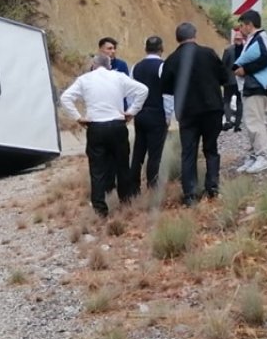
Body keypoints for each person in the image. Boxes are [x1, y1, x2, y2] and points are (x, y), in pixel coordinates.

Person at [59, 54, 149, 217]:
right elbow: (143, 90)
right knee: (122, 165)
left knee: (97, 169)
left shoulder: (84, 79)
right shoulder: (119, 77)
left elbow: (66, 98)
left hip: (95, 126)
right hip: (117, 124)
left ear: (93, 65)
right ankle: (126, 201)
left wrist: (78, 117)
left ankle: (100, 208)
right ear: (109, 65)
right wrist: (131, 112)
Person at [161, 22, 228, 205]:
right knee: (211, 148)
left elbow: (165, 87)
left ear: (177, 38)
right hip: (212, 107)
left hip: (187, 111)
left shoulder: (172, 59)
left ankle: (190, 194)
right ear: (195, 34)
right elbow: (224, 77)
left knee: (188, 152)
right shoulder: (209, 53)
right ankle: (212, 187)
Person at [232, 10, 267, 174]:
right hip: (251, 86)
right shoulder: (252, 40)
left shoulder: (260, 38)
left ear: (249, 24)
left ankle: (264, 156)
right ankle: (254, 155)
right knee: (250, 122)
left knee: (255, 122)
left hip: (256, 86)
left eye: (242, 25)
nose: (240, 29)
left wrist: (246, 69)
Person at [130, 36, 173, 192]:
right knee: (154, 155)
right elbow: (168, 94)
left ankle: (134, 188)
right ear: (161, 49)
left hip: (140, 113)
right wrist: (168, 117)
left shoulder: (136, 67)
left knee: (138, 153)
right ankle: (152, 186)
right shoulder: (163, 67)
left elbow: (131, 93)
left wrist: (132, 111)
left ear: (145, 48)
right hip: (157, 113)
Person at [220, 27, 245, 132]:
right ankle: (237, 125)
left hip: (229, 81)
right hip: (240, 81)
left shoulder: (228, 50)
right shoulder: (246, 50)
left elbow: (223, 65)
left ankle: (229, 121)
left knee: (226, 101)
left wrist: (222, 78)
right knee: (239, 102)